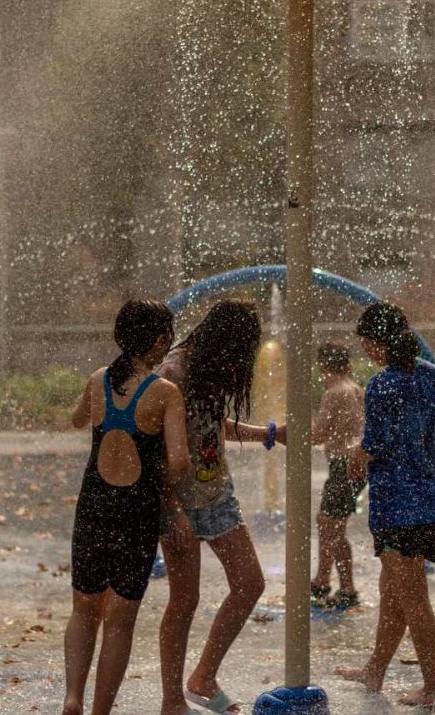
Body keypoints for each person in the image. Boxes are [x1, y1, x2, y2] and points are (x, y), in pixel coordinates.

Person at [336, 303, 435, 709]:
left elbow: (373, 445)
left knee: (412, 598)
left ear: (376, 343)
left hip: (398, 506)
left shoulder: (383, 384)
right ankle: (375, 670)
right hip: (433, 501)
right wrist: (423, 449)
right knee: (392, 590)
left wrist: (355, 455)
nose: (363, 349)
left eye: (365, 342)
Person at [157, 300, 285, 715]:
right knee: (184, 601)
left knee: (250, 583)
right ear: (225, 341)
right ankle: (172, 699)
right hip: (179, 500)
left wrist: (271, 434)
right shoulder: (173, 372)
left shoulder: (209, 368)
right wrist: (171, 509)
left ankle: (203, 677)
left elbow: (211, 426)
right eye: (243, 348)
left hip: (217, 495)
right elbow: (155, 443)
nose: (244, 359)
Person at [64, 300, 189, 715]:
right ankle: (99, 711)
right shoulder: (165, 393)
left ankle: (72, 697)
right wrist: (165, 488)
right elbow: (180, 462)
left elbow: (77, 420)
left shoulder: (98, 379)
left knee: (84, 608)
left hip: (93, 505)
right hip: (136, 510)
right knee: (119, 620)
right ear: (160, 340)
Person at [310, 342, 366, 611]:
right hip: (356, 464)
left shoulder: (333, 393)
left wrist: (294, 432)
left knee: (327, 523)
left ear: (322, 366)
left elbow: (319, 434)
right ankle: (342, 587)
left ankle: (324, 582)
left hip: (343, 465)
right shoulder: (356, 389)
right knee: (334, 526)